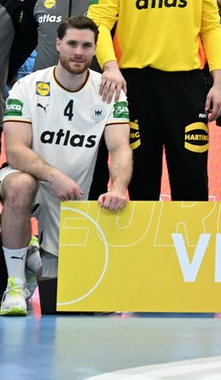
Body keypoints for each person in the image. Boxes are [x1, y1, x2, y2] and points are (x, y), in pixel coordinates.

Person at [90, 0, 221, 201]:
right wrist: (110, 66)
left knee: (191, 177)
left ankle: (190, 246)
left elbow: (211, 27)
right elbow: (98, 23)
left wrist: (219, 82)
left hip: (187, 83)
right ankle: (138, 249)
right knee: (139, 178)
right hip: (135, 84)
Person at [1, 16, 132, 316]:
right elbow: (16, 150)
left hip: (73, 197)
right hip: (32, 179)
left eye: (86, 46)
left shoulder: (109, 90)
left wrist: (119, 187)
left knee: (65, 299)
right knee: (21, 185)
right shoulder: (28, 85)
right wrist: (52, 175)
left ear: (96, 49)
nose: (78, 51)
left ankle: (33, 260)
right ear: (58, 44)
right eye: (72, 43)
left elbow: (120, 147)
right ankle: (16, 284)